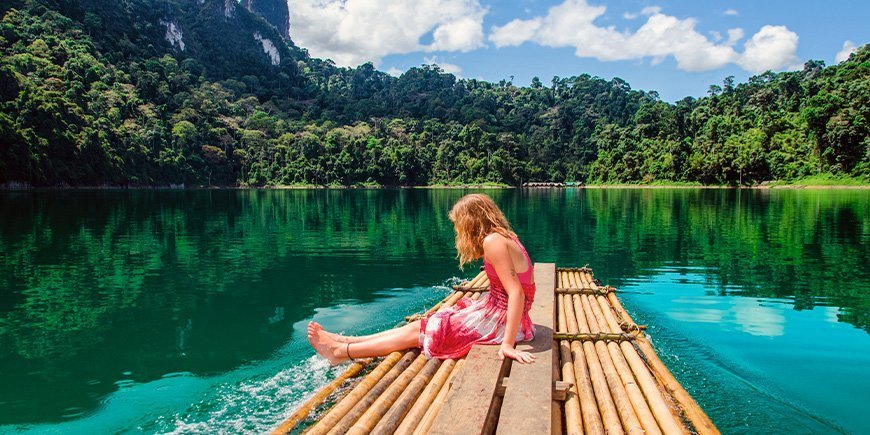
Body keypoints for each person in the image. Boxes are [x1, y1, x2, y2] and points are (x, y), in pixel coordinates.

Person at [307, 193, 537, 365]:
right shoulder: (502, 237)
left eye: (459, 224)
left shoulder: (493, 242)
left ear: (471, 221)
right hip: (499, 313)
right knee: (425, 324)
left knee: (422, 332)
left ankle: (341, 353)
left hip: (503, 322)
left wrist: (507, 344)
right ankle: (345, 341)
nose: (458, 230)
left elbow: (516, 292)